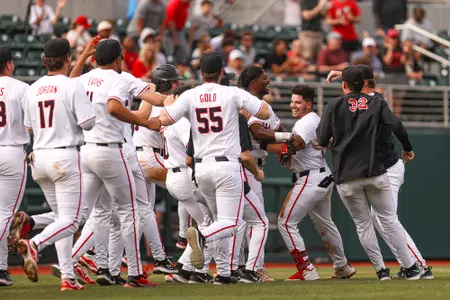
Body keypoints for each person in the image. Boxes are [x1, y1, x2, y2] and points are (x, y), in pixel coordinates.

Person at [158, 51, 270, 283]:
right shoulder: (232, 92)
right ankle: (202, 235)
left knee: (221, 219)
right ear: (221, 72)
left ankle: (223, 273)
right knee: (231, 223)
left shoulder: (190, 95)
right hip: (226, 166)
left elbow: (165, 118)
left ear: (201, 72)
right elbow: (265, 112)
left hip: (200, 169)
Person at [326, 65, 433, 280]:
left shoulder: (375, 100)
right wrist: (343, 73)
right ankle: (412, 265)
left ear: (363, 83)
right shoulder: (361, 99)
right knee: (382, 219)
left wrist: (408, 148)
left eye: (350, 80)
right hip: (375, 169)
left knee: (386, 219)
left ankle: (418, 266)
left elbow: (396, 124)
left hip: (387, 168)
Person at [77, 39, 161, 288]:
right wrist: (148, 119)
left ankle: (101, 267)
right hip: (111, 149)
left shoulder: (84, 79)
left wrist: (82, 55)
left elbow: (67, 82)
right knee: (129, 212)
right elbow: (115, 107)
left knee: (95, 214)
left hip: (86, 151)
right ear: (117, 59)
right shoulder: (117, 78)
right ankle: (134, 275)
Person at [19, 38, 96, 291]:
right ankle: (36, 243)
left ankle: (68, 277)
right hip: (64, 157)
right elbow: (88, 123)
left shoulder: (33, 88)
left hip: (38, 157)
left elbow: (29, 127)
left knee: (63, 219)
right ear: (68, 59)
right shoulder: (71, 85)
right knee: (72, 221)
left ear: (44, 61)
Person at [277, 85, 355, 281]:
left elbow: (298, 142)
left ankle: (306, 269)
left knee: (285, 222)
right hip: (322, 177)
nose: (293, 105)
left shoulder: (306, 121)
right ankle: (342, 265)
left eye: (298, 102)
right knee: (325, 224)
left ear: (308, 104)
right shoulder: (312, 119)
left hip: (310, 178)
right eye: (292, 101)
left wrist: (285, 150)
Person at [0, 47, 30, 287]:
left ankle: (1, 270)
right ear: (9, 65)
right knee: (4, 216)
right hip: (11, 152)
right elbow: (32, 125)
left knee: (1, 215)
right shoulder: (21, 88)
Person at [159, 0, 192, 66]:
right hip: (169, 31)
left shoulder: (186, 4)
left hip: (179, 31)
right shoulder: (176, 2)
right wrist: (175, 37)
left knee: (184, 52)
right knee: (170, 54)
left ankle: (181, 70)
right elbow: (170, 20)